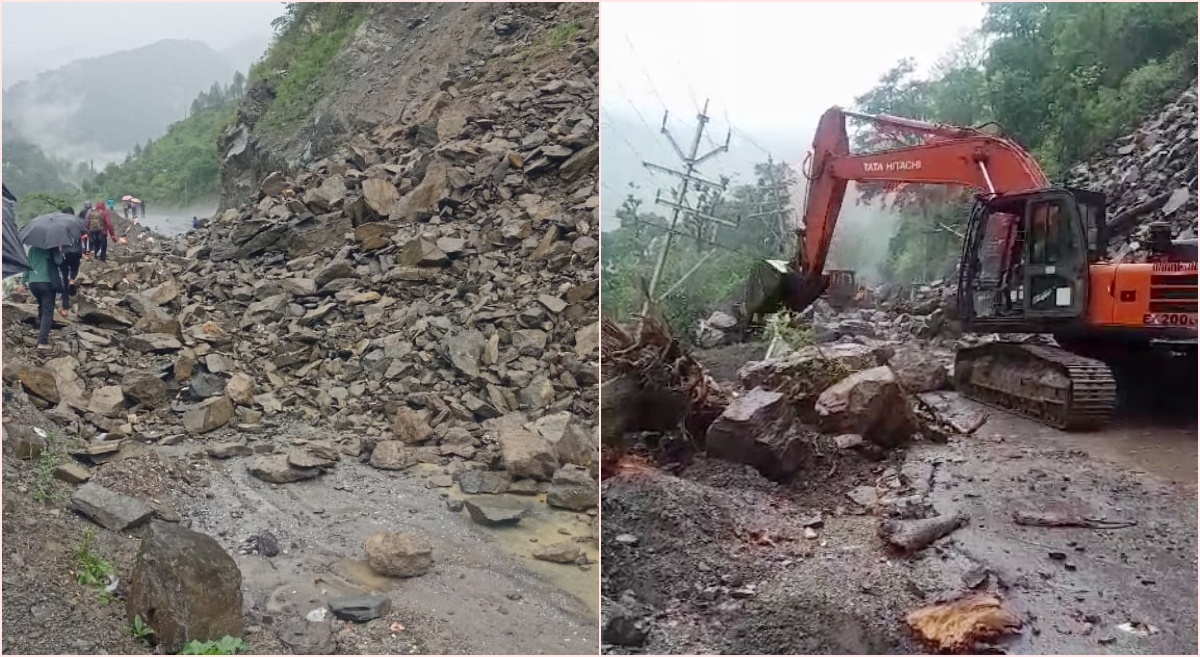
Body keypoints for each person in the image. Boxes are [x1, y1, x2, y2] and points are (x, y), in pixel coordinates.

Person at [17, 244, 66, 349]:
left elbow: (27, 266)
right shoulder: (52, 247)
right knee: (47, 311)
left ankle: (40, 328)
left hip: (33, 283)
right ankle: (42, 342)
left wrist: (22, 282)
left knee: (41, 305)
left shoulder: (32, 249)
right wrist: (58, 251)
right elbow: (59, 261)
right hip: (47, 282)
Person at [57, 206, 85, 317]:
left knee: (63, 279)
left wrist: (59, 250)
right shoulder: (78, 222)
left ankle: (65, 308)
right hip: (77, 251)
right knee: (74, 268)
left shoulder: (60, 224)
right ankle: (72, 280)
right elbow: (84, 234)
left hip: (65, 253)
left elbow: (58, 240)